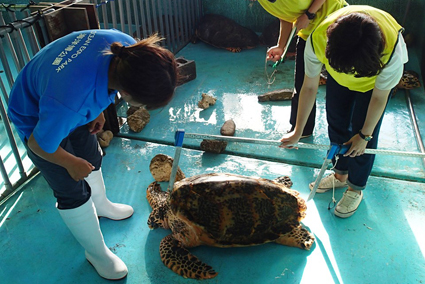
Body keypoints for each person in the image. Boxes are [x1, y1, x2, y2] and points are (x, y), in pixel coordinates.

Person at [7, 29, 178, 279]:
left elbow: (94, 79)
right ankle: (96, 253)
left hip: (65, 96)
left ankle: (101, 205)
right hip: (37, 115)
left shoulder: (131, 51)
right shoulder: (71, 100)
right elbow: (38, 144)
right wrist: (70, 162)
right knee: (72, 186)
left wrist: (98, 109)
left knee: (92, 156)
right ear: (128, 94)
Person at [280, 5, 408, 218]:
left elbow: (379, 97)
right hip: (337, 76)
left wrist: (364, 135)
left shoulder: (392, 51)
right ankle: (340, 176)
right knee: (336, 120)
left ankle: (355, 188)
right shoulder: (318, 38)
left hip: (372, 85)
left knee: (362, 137)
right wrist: (297, 130)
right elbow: (309, 86)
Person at [257, 0, 348, 138]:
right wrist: (281, 46)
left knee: (339, 88)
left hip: (337, 24)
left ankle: (343, 138)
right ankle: (301, 130)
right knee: (302, 84)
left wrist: (308, 14)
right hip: (309, 33)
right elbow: (285, 15)